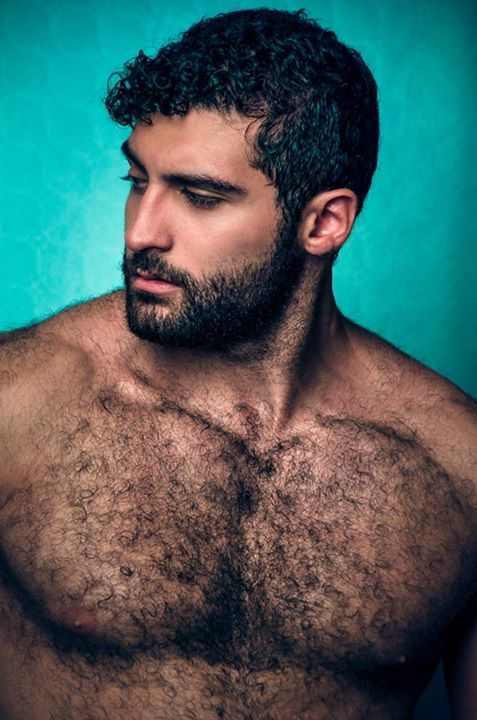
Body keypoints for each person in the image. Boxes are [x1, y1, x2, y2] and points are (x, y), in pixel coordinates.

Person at [0, 7, 475, 719]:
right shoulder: (18, 401)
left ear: (324, 222)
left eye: (199, 197)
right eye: (136, 180)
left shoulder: (458, 468)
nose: (141, 232)